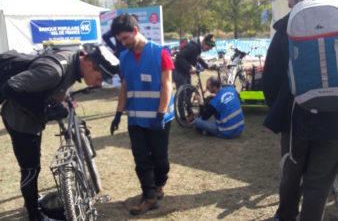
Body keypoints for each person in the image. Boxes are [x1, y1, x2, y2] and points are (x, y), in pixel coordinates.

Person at [0, 45, 119, 221]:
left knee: (33, 166)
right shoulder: (54, 71)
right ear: (89, 64)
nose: (99, 84)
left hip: (30, 117)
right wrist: (44, 109)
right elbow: (10, 87)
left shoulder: (73, 61)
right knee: (31, 170)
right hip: (20, 120)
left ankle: (31, 200)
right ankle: (34, 216)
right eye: (100, 78)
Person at [262, 0, 338, 220]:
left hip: (295, 117)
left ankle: (285, 216)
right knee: (319, 181)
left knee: (292, 170)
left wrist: (278, 107)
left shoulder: (287, 25)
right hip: (335, 119)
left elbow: (269, 78)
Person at [110, 13, 175, 215]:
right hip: (136, 119)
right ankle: (149, 197)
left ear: (135, 31)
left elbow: (167, 86)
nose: (123, 43)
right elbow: (125, 85)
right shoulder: (124, 57)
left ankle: (159, 184)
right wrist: (119, 113)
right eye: (119, 40)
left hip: (159, 118)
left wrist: (160, 114)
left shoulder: (160, 53)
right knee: (141, 159)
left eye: (125, 38)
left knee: (160, 158)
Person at [174, 34, 216, 121]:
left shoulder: (198, 46)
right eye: (208, 48)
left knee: (188, 94)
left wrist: (206, 65)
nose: (207, 50)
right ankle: (182, 118)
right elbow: (179, 57)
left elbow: (197, 57)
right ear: (204, 42)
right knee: (182, 95)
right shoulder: (193, 46)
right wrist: (189, 67)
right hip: (179, 71)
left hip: (185, 72)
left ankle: (190, 115)